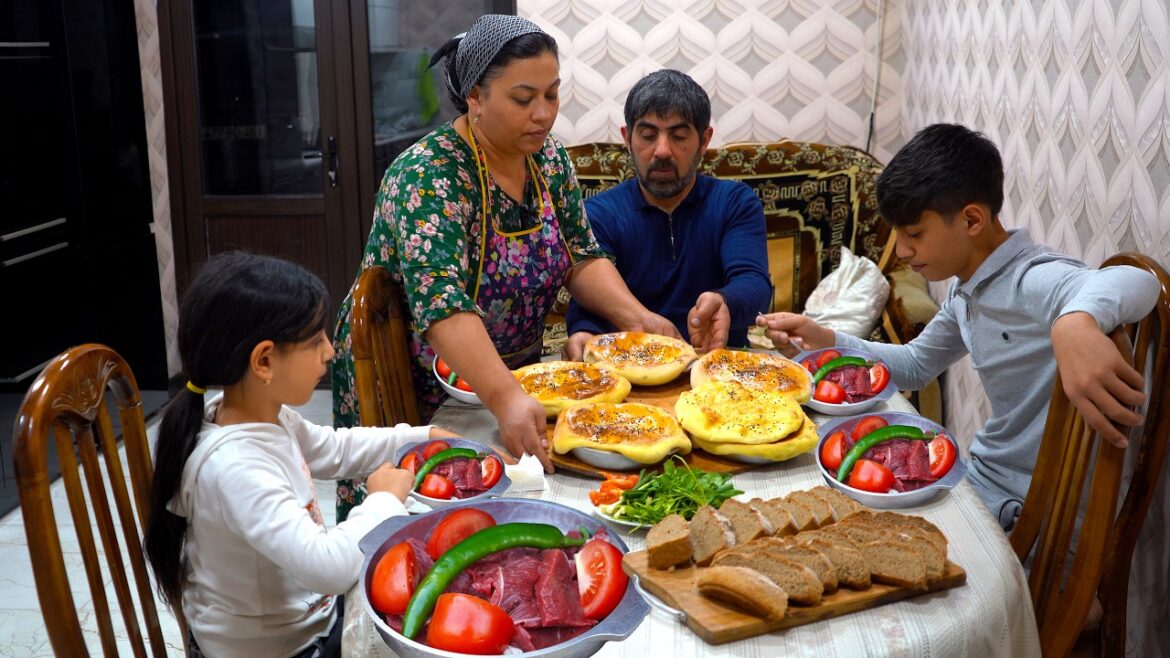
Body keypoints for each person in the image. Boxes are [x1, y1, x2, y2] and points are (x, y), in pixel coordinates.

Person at [330, 15, 677, 520]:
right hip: (419, 387)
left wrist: (638, 319)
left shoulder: (549, 161)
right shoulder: (429, 177)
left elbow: (581, 255)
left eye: (552, 95)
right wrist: (505, 397)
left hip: (511, 378)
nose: (543, 114)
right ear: (475, 97)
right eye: (523, 99)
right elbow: (443, 305)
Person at [757, 123, 1160, 530]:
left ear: (971, 220)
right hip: (981, 478)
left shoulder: (1028, 279)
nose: (902, 250)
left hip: (1023, 509)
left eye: (914, 233)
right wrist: (827, 339)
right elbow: (916, 364)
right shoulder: (968, 287)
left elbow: (1140, 281)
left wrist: (1077, 322)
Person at [144, 252, 456, 657]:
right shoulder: (235, 468)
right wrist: (383, 499)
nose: (329, 351)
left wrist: (418, 437)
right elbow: (326, 568)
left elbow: (333, 449)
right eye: (315, 341)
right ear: (265, 361)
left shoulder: (266, 415)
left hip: (309, 621)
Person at [563, 69, 772, 359]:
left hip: (719, 366)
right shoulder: (600, 213)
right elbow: (589, 300)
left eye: (678, 136)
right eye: (648, 135)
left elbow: (754, 282)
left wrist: (725, 301)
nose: (662, 150)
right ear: (627, 138)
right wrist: (584, 333)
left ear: (704, 139)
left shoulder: (734, 202)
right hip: (630, 369)